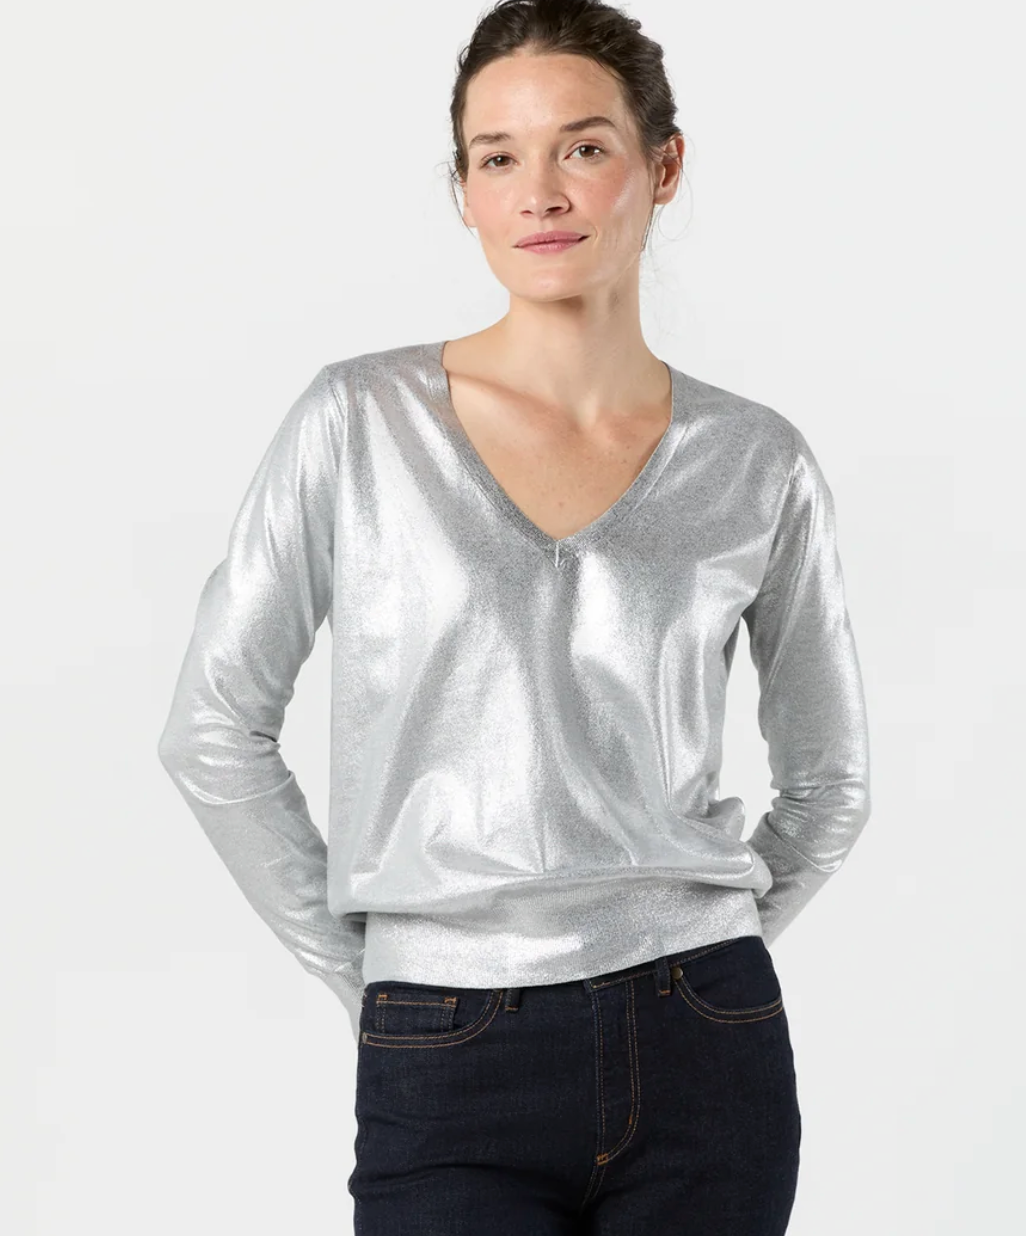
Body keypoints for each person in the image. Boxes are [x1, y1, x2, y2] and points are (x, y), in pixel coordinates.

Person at [157, 0, 871, 1231]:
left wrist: (706, 937)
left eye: (583, 147)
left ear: (663, 166)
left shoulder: (758, 461)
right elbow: (211, 728)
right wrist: (377, 971)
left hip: (708, 1048)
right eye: (498, 157)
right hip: (445, 1048)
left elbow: (832, 781)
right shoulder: (357, 425)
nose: (539, 192)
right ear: (466, 191)